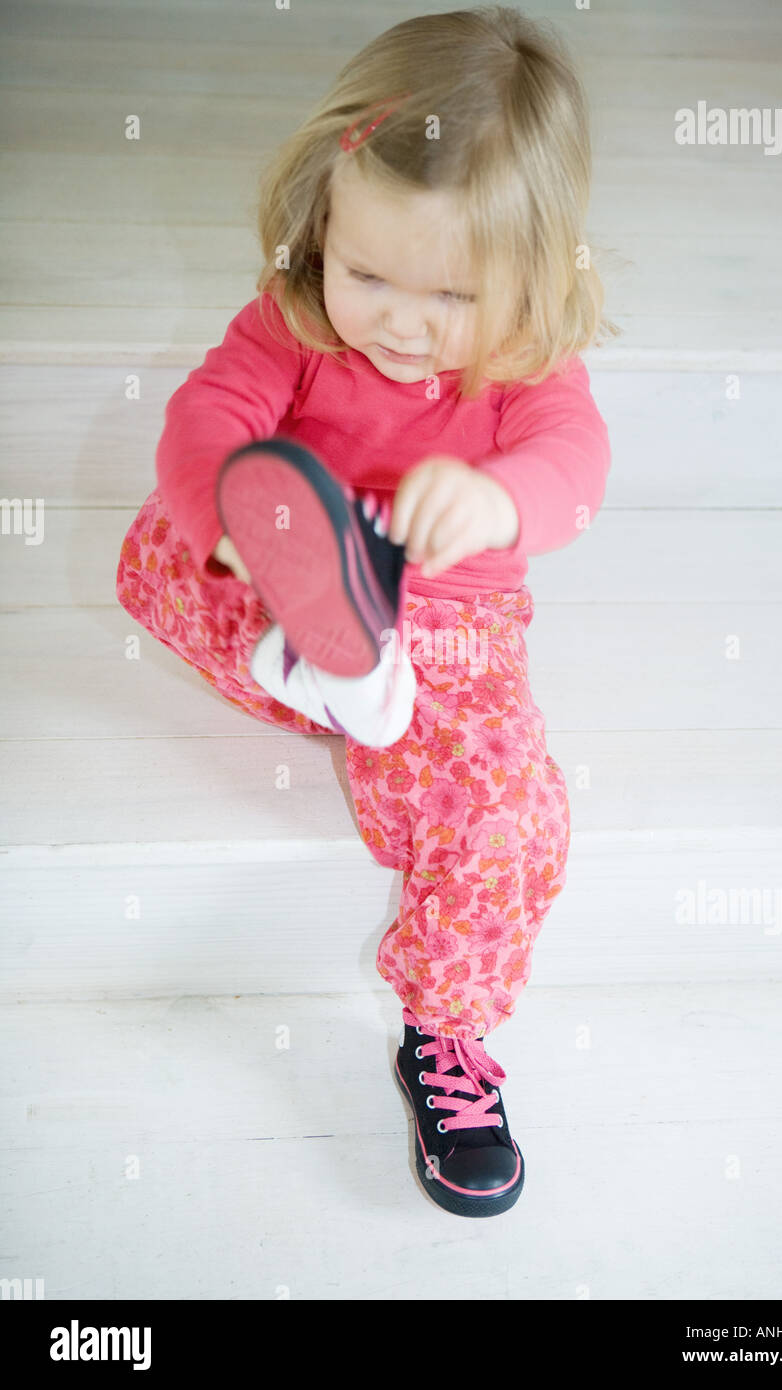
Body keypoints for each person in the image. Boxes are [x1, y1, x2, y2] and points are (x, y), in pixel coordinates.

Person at [116, 4, 615, 1218]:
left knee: (511, 816)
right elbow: (203, 423)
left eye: (448, 294)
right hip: (303, 570)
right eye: (366, 273)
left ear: (537, 275)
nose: (397, 318)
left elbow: (577, 467)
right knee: (167, 550)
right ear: (320, 227)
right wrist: (232, 524)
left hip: (447, 620)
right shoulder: (289, 320)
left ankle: (445, 1029)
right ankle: (327, 642)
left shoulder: (530, 369)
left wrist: (495, 502)